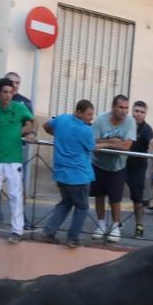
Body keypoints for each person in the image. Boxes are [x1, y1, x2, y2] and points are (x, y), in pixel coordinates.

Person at [0, 77, 34, 242]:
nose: (8, 95)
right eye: (5, 92)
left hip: (14, 157)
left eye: (11, 92)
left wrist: (25, 132)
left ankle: (17, 230)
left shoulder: (20, 108)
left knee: (15, 194)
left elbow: (33, 122)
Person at [44, 100, 96, 248]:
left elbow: (46, 126)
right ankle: (73, 238)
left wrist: (58, 135)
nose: (91, 118)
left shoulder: (61, 119)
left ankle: (49, 232)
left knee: (66, 203)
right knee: (82, 207)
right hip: (79, 175)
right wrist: (108, 143)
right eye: (88, 114)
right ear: (78, 112)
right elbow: (92, 147)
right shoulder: (85, 130)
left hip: (61, 173)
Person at [88, 94, 137, 243]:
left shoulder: (130, 122)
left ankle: (116, 226)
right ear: (113, 107)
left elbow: (126, 146)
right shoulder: (101, 120)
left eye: (126, 108)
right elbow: (92, 140)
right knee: (99, 195)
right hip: (99, 164)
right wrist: (112, 141)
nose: (124, 111)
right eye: (121, 107)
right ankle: (101, 224)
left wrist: (105, 144)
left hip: (118, 166)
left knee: (116, 198)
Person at [126, 100, 153, 238]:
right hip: (121, 164)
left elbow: (152, 140)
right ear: (132, 111)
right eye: (136, 111)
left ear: (145, 114)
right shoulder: (126, 123)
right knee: (114, 195)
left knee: (137, 199)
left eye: (142, 112)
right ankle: (115, 223)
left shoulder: (146, 129)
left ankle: (139, 225)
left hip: (138, 168)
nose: (138, 114)